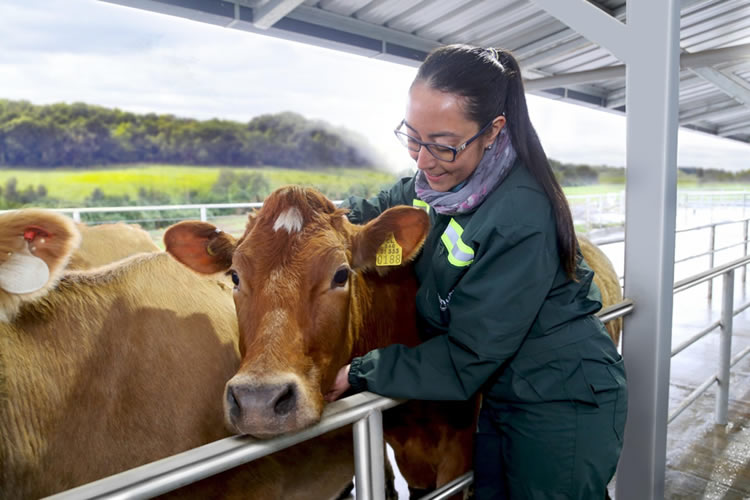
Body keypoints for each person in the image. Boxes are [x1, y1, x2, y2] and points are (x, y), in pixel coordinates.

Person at [324, 44, 627, 499]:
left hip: (560, 400)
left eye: (443, 145)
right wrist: (315, 217)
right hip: (502, 394)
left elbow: (468, 354)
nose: (422, 160)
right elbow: (380, 209)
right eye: (412, 137)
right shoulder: (434, 185)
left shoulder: (521, 212)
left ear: (492, 131)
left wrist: (361, 371)